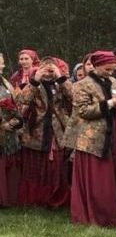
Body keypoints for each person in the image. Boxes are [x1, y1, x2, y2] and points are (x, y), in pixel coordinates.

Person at [64, 50, 116, 227]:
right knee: (98, 178)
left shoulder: (114, 82)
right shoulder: (82, 85)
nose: (110, 72)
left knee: (113, 175)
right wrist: (110, 103)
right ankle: (96, 215)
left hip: (113, 132)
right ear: (97, 66)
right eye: (107, 69)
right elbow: (83, 111)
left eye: (112, 69)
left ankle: (115, 213)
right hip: (91, 139)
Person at [15, 56, 73, 207]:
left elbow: (75, 97)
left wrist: (60, 78)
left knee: (57, 166)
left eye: (51, 69)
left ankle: (56, 197)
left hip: (57, 131)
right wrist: (35, 80)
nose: (48, 73)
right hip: (37, 131)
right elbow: (22, 100)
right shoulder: (34, 84)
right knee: (37, 166)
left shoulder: (61, 84)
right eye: (45, 69)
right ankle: (37, 198)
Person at [0, 52, 25, 207]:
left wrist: (15, 120)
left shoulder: (4, 82)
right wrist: (2, 122)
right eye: (0, 63)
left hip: (9, 130)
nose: (2, 65)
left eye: (2, 62)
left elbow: (13, 102)